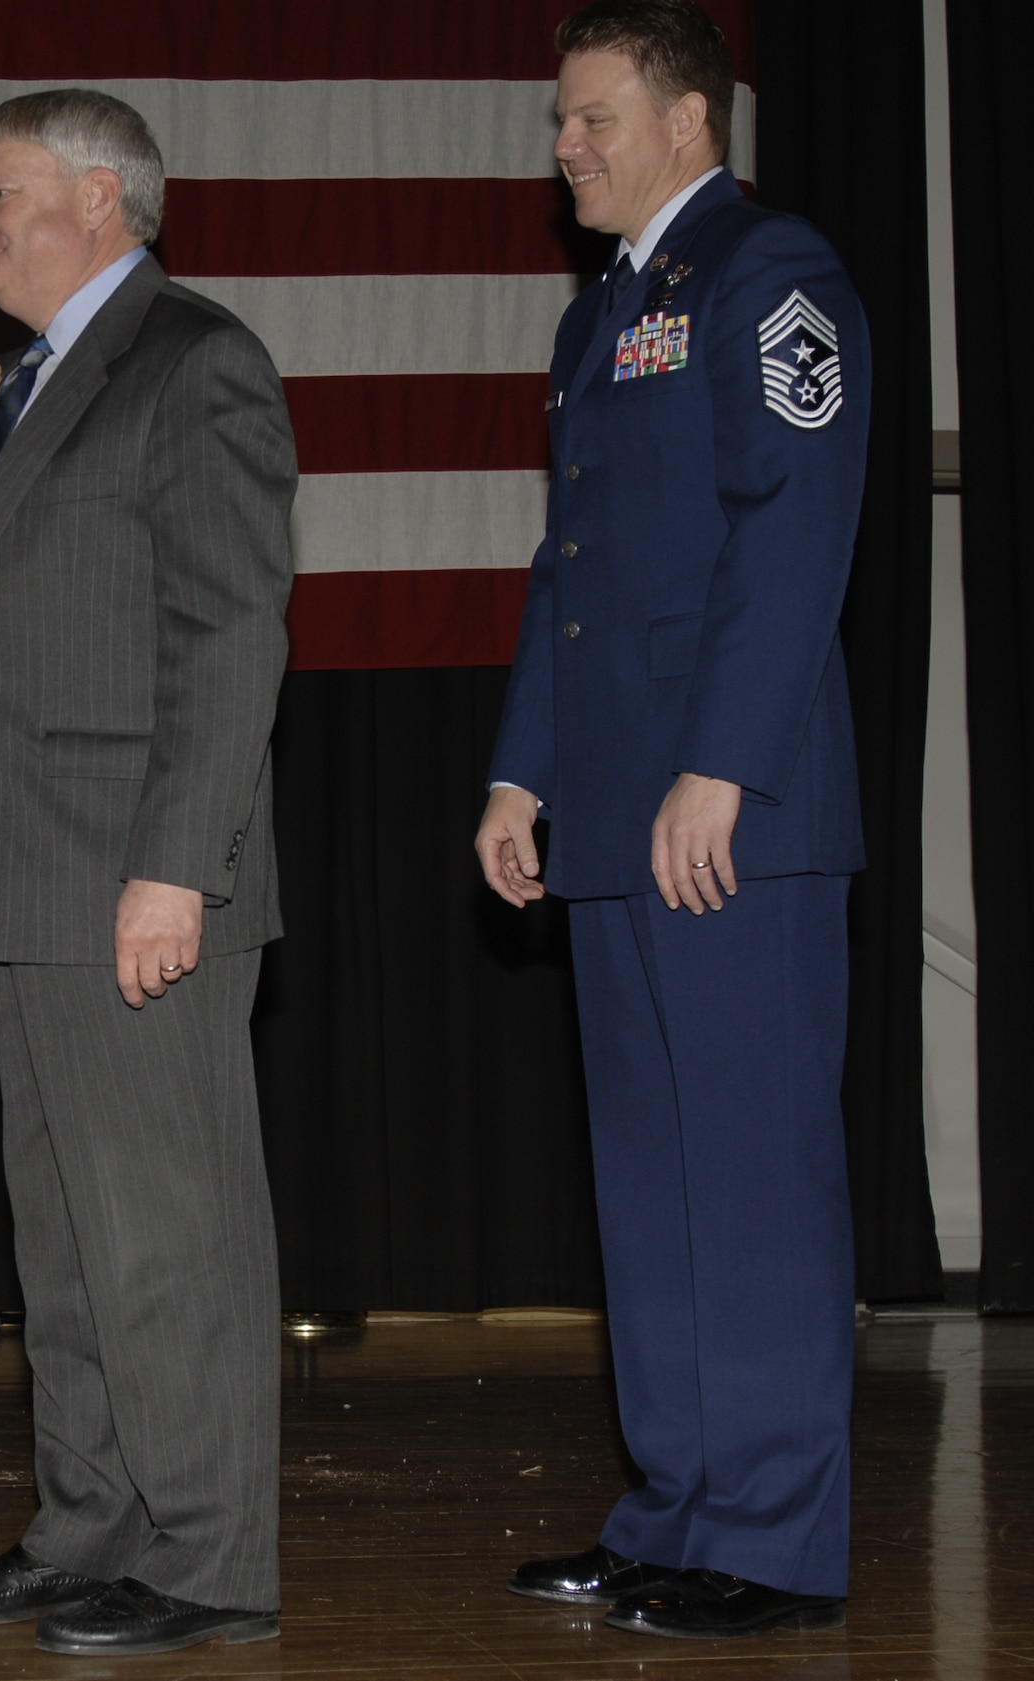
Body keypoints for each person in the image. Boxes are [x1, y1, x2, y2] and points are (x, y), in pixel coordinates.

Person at [475, 0, 869, 1642]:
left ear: (691, 118)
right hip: (617, 815)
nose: (564, 144)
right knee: (652, 1182)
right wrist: (524, 768)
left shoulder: (778, 278)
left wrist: (723, 761)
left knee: (754, 1179)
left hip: (732, 814)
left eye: (592, 116)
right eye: (562, 119)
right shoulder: (600, 320)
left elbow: (795, 530)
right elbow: (577, 573)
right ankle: (678, 1504)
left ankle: (772, 1540)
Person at [0, 89, 297, 1658]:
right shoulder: (31, 387)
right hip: (27, 878)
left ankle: (210, 1556)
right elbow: (3, 661)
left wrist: (176, 870)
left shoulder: (195, 361)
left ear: (98, 196)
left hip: (139, 884)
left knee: (170, 1240)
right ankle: (92, 1527)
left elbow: (228, 633)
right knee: (67, 1243)